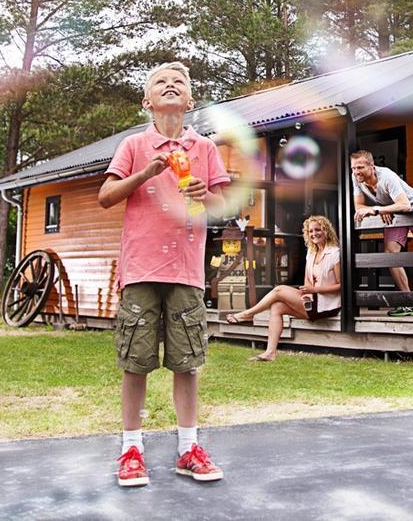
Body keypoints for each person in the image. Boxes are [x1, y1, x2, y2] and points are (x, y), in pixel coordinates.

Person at [98, 62, 231, 488]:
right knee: (135, 364)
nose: (171, 86)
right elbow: (105, 197)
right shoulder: (134, 144)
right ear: (147, 100)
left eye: (179, 83)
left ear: (190, 101)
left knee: (187, 363)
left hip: (187, 272)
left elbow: (222, 207)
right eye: (161, 82)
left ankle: (188, 447)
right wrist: (146, 173)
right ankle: (131, 448)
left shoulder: (205, 149)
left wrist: (203, 194)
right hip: (141, 269)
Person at [224, 215, 342, 361]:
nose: (314, 234)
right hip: (312, 301)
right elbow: (307, 280)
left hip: (327, 305)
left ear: (326, 231)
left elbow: (341, 286)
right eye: (311, 231)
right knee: (277, 307)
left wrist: (315, 291)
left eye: (318, 230)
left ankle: (248, 314)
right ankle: (270, 353)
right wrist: (307, 293)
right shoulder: (312, 252)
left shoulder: (335, 253)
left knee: (279, 290)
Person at [350, 150, 413, 317]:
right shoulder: (357, 179)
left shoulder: (387, 177)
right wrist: (381, 209)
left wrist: (380, 209)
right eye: (354, 168)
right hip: (394, 213)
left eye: (360, 167)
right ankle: (408, 304)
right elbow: (359, 206)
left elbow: (405, 205)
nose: (356, 171)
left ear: (372, 166)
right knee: (391, 254)